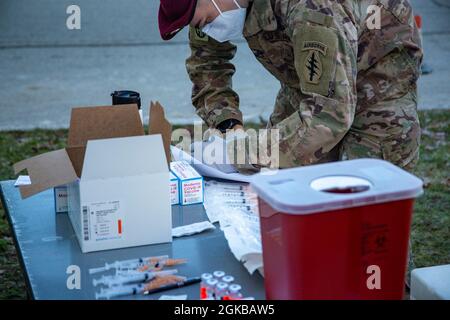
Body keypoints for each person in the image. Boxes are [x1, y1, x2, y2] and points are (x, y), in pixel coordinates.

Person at [158, 0, 423, 171]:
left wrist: (237, 151)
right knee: (280, 183)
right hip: (309, 89)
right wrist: (228, 126)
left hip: (377, 91)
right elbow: (208, 64)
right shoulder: (213, 7)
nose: (208, 30)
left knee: (364, 221)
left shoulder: (312, 8)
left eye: (204, 22)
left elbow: (328, 116)